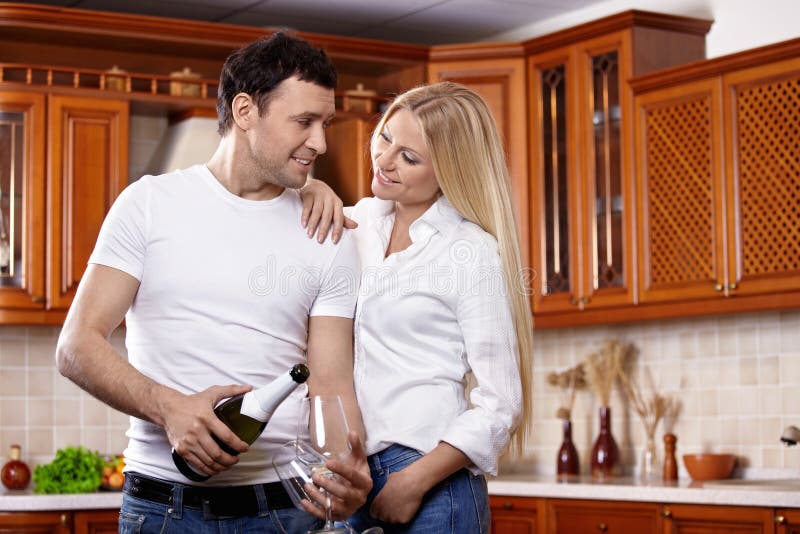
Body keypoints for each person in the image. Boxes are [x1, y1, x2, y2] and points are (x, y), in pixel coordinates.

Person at [55, 32, 371, 533]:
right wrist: (170, 410)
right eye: (304, 121)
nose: (321, 142)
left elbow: (330, 387)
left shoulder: (328, 234)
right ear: (246, 110)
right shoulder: (149, 205)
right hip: (163, 510)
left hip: (286, 510)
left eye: (325, 123)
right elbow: (76, 346)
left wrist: (350, 466)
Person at [303, 81, 533, 533]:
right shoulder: (361, 222)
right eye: (386, 138)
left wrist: (413, 481)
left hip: (431, 482)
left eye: (409, 157)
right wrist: (312, 189)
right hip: (354, 478)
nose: (386, 161)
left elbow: (501, 403)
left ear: (448, 170)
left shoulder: (469, 251)